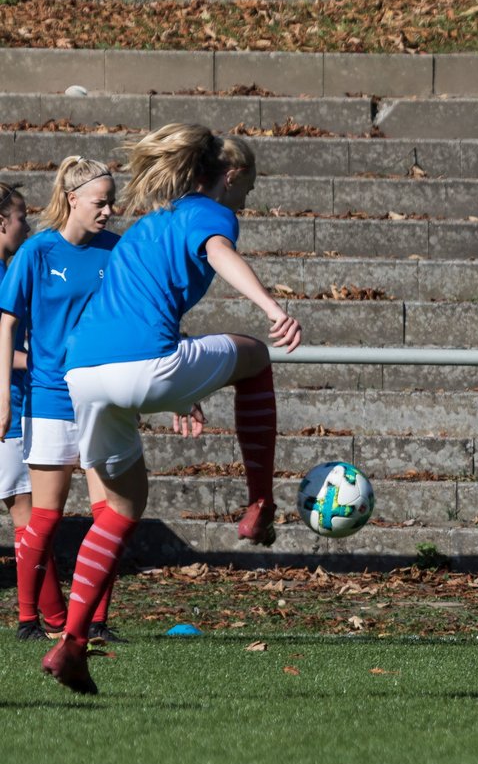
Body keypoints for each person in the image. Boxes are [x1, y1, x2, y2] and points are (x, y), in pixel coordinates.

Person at [39, 122, 300, 694]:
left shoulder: (149, 226)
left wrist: (187, 389)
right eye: (246, 190)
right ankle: (259, 502)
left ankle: (73, 644)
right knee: (255, 357)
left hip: (83, 374)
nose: (244, 202)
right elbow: (220, 251)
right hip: (142, 366)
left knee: (123, 506)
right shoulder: (208, 213)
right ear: (229, 176)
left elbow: (146, 307)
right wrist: (270, 307)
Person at [0, 161, 123, 644]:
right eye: (100, 202)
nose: (109, 211)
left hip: (102, 399)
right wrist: (3, 400)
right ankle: (28, 620)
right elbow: (6, 324)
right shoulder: (37, 251)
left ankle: (96, 621)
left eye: (112, 201)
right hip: (49, 399)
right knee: (44, 518)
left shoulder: (117, 252)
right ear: (72, 197)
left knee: (108, 515)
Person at [0, 181, 69, 641]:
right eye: (21, 215)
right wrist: (46, 361)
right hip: (9, 407)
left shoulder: (9, 266)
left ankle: (54, 621)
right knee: (27, 514)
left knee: (26, 511)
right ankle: (52, 622)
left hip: (19, 401)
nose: (27, 223)